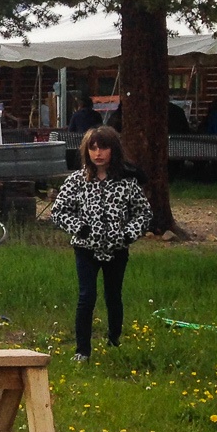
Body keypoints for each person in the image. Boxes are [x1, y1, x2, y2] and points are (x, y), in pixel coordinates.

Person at [50, 125, 152, 362]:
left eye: (103, 148)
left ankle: (114, 340)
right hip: (86, 249)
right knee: (87, 296)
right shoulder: (77, 180)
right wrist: (80, 228)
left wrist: (127, 234)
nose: (98, 153)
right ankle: (82, 350)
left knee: (113, 295)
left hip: (117, 249)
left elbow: (144, 214)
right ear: (87, 151)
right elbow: (58, 211)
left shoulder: (127, 182)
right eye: (93, 148)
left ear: (113, 150)